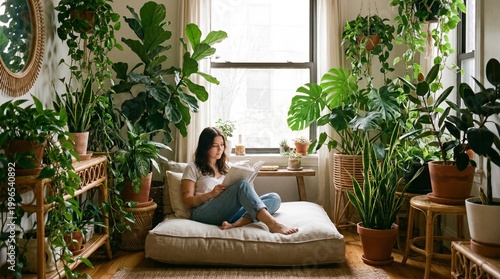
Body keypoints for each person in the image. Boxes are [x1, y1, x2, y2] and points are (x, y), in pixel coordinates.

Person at [181, 127, 298, 235]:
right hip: (204, 212)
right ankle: (273, 224)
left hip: (229, 212)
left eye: (222, 145)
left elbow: (246, 195)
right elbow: (187, 201)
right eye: (215, 145)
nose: (220, 149)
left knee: (274, 198)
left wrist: (249, 182)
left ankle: (235, 224)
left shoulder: (227, 167)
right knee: (242, 186)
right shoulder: (193, 168)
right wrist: (211, 194)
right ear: (205, 147)